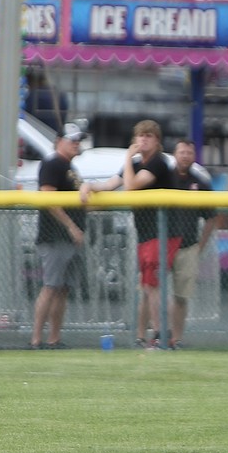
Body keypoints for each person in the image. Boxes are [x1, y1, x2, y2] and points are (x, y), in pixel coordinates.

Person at [79, 119, 177, 348]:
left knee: (153, 286)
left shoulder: (159, 162)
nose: (143, 140)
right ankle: (148, 336)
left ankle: (163, 336)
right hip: (146, 233)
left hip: (163, 232)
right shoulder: (133, 164)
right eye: (140, 136)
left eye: (149, 136)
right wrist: (88, 187)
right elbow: (111, 184)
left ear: (157, 141)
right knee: (147, 286)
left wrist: (127, 157)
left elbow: (131, 186)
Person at [30, 124, 87, 350]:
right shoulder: (52, 163)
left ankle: (54, 339)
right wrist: (71, 226)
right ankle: (36, 340)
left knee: (63, 289)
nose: (76, 143)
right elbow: (49, 199)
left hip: (70, 238)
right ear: (58, 142)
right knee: (51, 286)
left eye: (77, 140)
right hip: (54, 237)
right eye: (71, 140)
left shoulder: (71, 168)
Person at [166, 140, 219, 349]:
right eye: (182, 152)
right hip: (161, 244)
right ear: (174, 154)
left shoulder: (200, 183)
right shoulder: (162, 178)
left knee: (181, 296)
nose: (185, 156)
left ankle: (176, 339)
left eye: (189, 152)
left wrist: (200, 246)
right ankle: (150, 337)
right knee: (150, 292)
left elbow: (211, 217)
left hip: (187, 246)